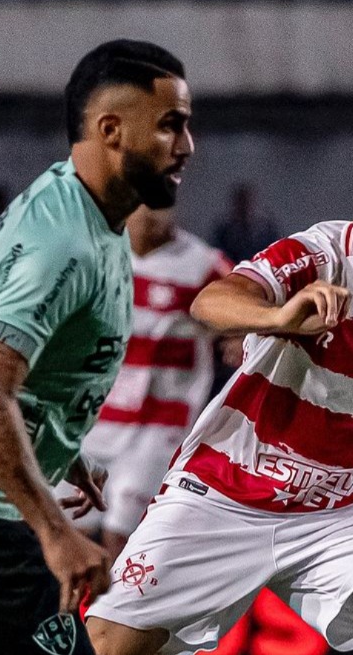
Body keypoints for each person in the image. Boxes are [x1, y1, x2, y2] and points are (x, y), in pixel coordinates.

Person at [86, 133, 353, 655]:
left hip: (338, 514)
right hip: (224, 496)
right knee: (106, 646)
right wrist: (277, 318)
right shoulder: (316, 258)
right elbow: (210, 302)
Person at [0, 39, 194, 655]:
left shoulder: (88, 208)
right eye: (170, 126)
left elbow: (24, 374)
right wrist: (56, 534)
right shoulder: (65, 244)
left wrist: (56, 446)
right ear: (111, 130)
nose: (187, 146)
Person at [75, 204, 234, 558]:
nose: (151, 211)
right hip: (94, 423)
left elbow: (247, 301)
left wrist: (240, 336)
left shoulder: (202, 265)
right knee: (74, 540)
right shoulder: (95, 254)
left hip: (157, 429)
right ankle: (76, 616)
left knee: (123, 540)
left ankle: (118, 615)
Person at [210, 183, 280, 263]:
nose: (245, 207)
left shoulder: (267, 233)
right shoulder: (223, 233)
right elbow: (218, 258)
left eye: (247, 202)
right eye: (242, 202)